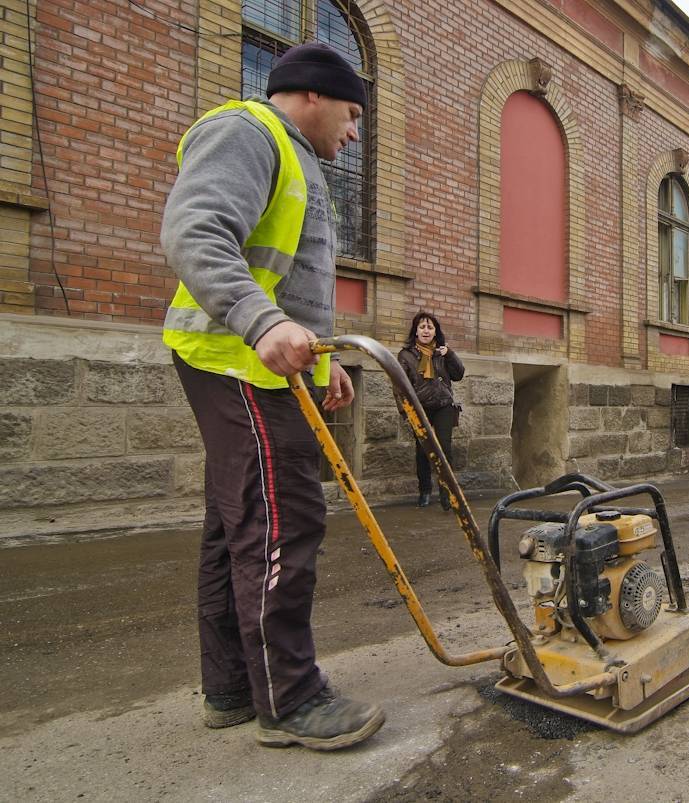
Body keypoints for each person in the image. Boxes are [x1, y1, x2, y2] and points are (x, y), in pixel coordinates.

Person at [160, 42, 385, 750]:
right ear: (313, 95)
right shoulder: (247, 132)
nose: (354, 133)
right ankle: (290, 697)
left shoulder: (300, 161)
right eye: (352, 115)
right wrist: (263, 326)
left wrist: (323, 363)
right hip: (238, 362)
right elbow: (195, 233)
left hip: (259, 363)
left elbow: (288, 279)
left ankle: (231, 687)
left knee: (236, 526)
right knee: (283, 519)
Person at [398, 311, 465, 510]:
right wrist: (406, 411)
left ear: (435, 331)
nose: (426, 330)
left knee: (445, 449)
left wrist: (450, 354)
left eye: (430, 327)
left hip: (444, 405)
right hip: (420, 407)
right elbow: (399, 385)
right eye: (422, 327)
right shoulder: (406, 354)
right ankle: (425, 491)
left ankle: (447, 494)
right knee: (423, 451)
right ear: (415, 331)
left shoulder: (442, 353)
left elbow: (459, 374)